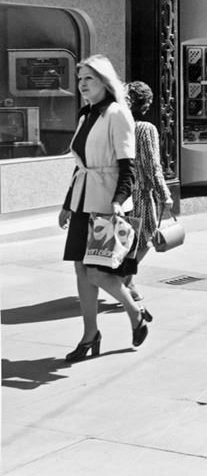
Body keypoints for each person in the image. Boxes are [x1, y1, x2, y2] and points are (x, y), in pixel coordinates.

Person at [59, 55, 148, 362]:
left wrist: (118, 202)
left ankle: (134, 311)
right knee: (80, 270)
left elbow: (128, 166)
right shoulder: (86, 115)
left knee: (97, 271)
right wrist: (66, 205)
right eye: (80, 79)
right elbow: (80, 165)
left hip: (107, 203)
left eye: (89, 79)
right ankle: (90, 334)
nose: (82, 84)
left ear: (104, 82)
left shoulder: (118, 113)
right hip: (83, 201)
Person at [123, 81, 172, 309]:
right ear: (145, 103)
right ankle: (128, 280)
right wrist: (164, 194)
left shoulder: (117, 126)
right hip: (140, 194)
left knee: (123, 239)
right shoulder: (146, 129)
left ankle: (123, 279)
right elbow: (153, 165)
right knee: (145, 238)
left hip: (117, 194)